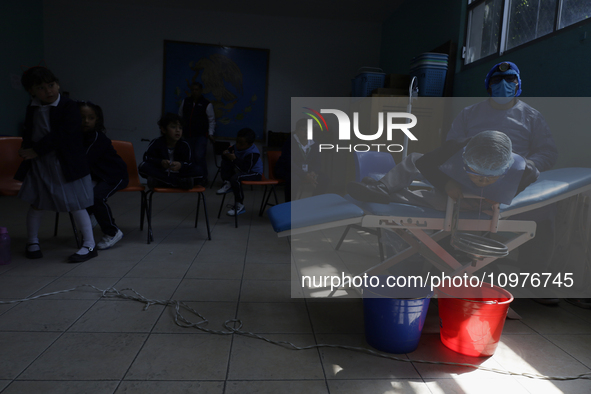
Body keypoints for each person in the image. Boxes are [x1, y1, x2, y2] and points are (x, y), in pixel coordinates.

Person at [14, 66, 97, 263]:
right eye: (41, 88)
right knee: (37, 203)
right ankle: (32, 241)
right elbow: (30, 131)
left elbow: (63, 135)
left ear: (57, 84)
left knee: (77, 204)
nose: (48, 91)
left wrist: (37, 150)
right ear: (32, 91)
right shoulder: (32, 106)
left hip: (65, 163)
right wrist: (27, 149)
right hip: (40, 164)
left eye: (51, 85)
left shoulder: (69, 106)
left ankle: (89, 244)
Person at [347, 130, 539, 211]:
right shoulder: (456, 147)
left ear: (504, 169)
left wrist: (500, 196)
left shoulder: (524, 169)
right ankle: (382, 187)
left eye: (489, 177)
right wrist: (446, 183)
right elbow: (424, 163)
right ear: (465, 159)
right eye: (476, 173)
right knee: (415, 157)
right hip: (453, 182)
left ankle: (385, 195)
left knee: (433, 200)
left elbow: (532, 176)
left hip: (472, 203)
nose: (481, 181)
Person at [446, 61, 558, 173]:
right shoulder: (468, 114)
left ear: (518, 84)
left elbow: (547, 152)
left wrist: (526, 166)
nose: (503, 84)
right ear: (489, 85)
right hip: (472, 175)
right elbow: (451, 147)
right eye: (496, 80)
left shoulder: (532, 117)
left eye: (510, 79)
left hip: (515, 178)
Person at [79, 101, 128, 250]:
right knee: (84, 196)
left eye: (91, 117)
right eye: (82, 117)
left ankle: (112, 232)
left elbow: (83, 161)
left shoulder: (97, 138)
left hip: (115, 175)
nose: (86, 121)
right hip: (99, 176)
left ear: (97, 120)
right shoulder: (80, 135)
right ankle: (94, 214)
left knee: (96, 197)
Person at [138, 113, 203, 189]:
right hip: (162, 173)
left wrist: (180, 165)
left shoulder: (185, 145)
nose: (178, 130)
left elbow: (191, 163)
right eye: (173, 127)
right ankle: (179, 183)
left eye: (180, 128)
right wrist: (161, 162)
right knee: (142, 166)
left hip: (179, 174)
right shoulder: (156, 142)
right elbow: (147, 159)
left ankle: (161, 182)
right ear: (163, 129)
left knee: (199, 170)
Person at [274, 119, 328, 202]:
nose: (307, 133)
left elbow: (318, 162)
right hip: (287, 170)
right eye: (303, 129)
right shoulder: (290, 142)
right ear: (297, 131)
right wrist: (305, 175)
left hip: (305, 171)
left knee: (324, 178)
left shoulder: (315, 143)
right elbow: (289, 163)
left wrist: (313, 172)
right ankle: (290, 206)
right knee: (294, 179)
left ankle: (315, 204)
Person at [216, 127, 263, 216]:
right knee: (225, 162)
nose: (237, 145)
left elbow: (245, 169)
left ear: (250, 144)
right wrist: (225, 153)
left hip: (254, 173)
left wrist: (234, 159)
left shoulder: (253, 153)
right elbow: (226, 156)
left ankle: (239, 204)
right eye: (237, 142)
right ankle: (227, 183)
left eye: (241, 144)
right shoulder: (236, 147)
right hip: (241, 169)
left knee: (236, 178)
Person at [178, 81, 216, 184]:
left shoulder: (206, 104)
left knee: (199, 156)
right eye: (193, 90)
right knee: (189, 157)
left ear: (201, 90)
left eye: (197, 90)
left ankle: (203, 178)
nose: (195, 92)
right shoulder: (185, 101)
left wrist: (210, 133)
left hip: (201, 135)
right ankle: (193, 178)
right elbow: (180, 117)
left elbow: (211, 120)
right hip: (187, 135)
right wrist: (179, 131)